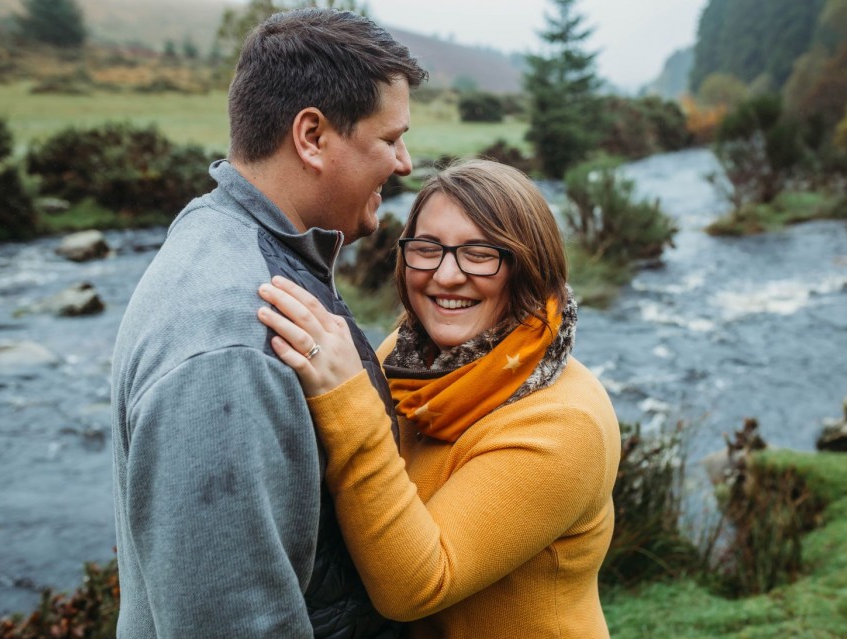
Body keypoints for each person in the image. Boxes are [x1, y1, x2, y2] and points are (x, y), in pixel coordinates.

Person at [110, 8, 427, 638]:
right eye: (390, 139)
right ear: (311, 136)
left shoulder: (231, 237)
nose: (405, 163)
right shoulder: (233, 343)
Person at [257, 159, 621, 638]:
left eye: (479, 253)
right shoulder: (406, 358)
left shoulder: (563, 425)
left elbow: (414, 588)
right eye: (427, 249)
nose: (446, 276)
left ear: (530, 267)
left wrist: (348, 400)